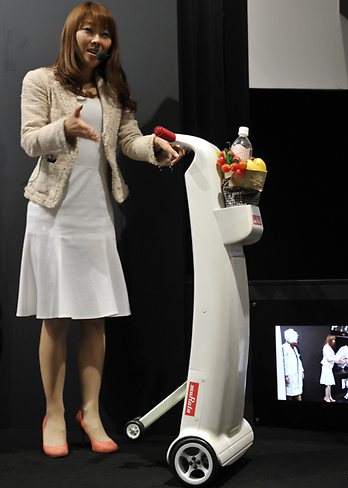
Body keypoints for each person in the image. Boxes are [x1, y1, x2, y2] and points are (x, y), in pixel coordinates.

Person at [16, 1, 183, 458]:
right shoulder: (41, 80)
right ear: (72, 34)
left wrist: (158, 148)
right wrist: (63, 129)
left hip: (96, 215)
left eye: (105, 33)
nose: (97, 39)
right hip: (52, 214)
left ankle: (89, 413)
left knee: (94, 320)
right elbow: (29, 137)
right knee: (55, 318)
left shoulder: (112, 89)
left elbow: (128, 141)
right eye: (88, 30)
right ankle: (53, 412)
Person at [282, 328, 304, 401]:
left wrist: (301, 371)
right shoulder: (284, 348)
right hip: (290, 375)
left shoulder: (295, 348)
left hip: (297, 375)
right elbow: (284, 363)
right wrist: (286, 375)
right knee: (289, 394)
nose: (297, 340)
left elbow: (298, 360)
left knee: (298, 393)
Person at [320, 334, 340, 402]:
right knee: (328, 384)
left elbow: (333, 356)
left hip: (329, 368)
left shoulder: (329, 347)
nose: (334, 341)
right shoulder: (326, 347)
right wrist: (338, 360)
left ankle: (329, 396)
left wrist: (339, 359)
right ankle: (327, 397)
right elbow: (329, 358)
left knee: (329, 384)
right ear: (330, 340)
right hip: (326, 367)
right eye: (333, 340)